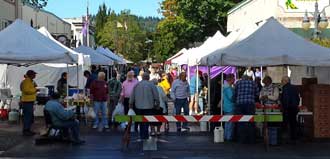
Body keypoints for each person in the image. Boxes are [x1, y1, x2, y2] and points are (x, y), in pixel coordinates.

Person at [129, 73, 160, 140]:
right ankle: (145, 135)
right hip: (149, 106)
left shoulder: (137, 85)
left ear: (142, 77)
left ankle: (142, 134)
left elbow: (132, 95)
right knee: (146, 121)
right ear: (148, 77)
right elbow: (156, 96)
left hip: (138, 106)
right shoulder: (151, 85)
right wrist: (157, 104)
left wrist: (130, 104)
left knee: (141, 121)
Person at [234, 75, 259, 144]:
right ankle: (251, 140)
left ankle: (241, 140)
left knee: (240, 122)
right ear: (249, 78)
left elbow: (235, 93)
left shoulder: (238, 83)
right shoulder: (253, 83)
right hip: (250, 104)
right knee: (250, 122)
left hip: (240, 104)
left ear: (242, 78)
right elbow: (257, 93)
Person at [281, 76, 300, 142]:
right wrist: (296, 105)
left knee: (286, 123)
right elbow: (298, 98)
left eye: (282, 80)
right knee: (293, 123)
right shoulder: (294, 87)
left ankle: (288, 138)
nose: (281, 82)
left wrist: (284, 108)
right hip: (294, 107)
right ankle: (294, 137)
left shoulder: (285, 88)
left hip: (288, 108)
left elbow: (286, 99)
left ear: (286, 81)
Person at [20, 70, 38, 136]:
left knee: (29, 116)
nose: (35, 75)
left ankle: (28, 129)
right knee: (27, 116)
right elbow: (26, 90)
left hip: (29, 101)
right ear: (31, 75)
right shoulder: (26, 81)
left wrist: (34, 85)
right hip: (27, 101)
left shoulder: (30, 81)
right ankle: (26, 130)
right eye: (34, 74)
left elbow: (34, 86)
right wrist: (35, 90)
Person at [223, 74, 235, 141]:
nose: (234, 80)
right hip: (230, 107)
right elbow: (231, 98)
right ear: (230, 79)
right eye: (233, 78)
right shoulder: (228, 88)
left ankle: (226, 136)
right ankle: (229, 137)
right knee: (230, 123)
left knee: (227, 123)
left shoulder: (225, 87)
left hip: (226, 107)